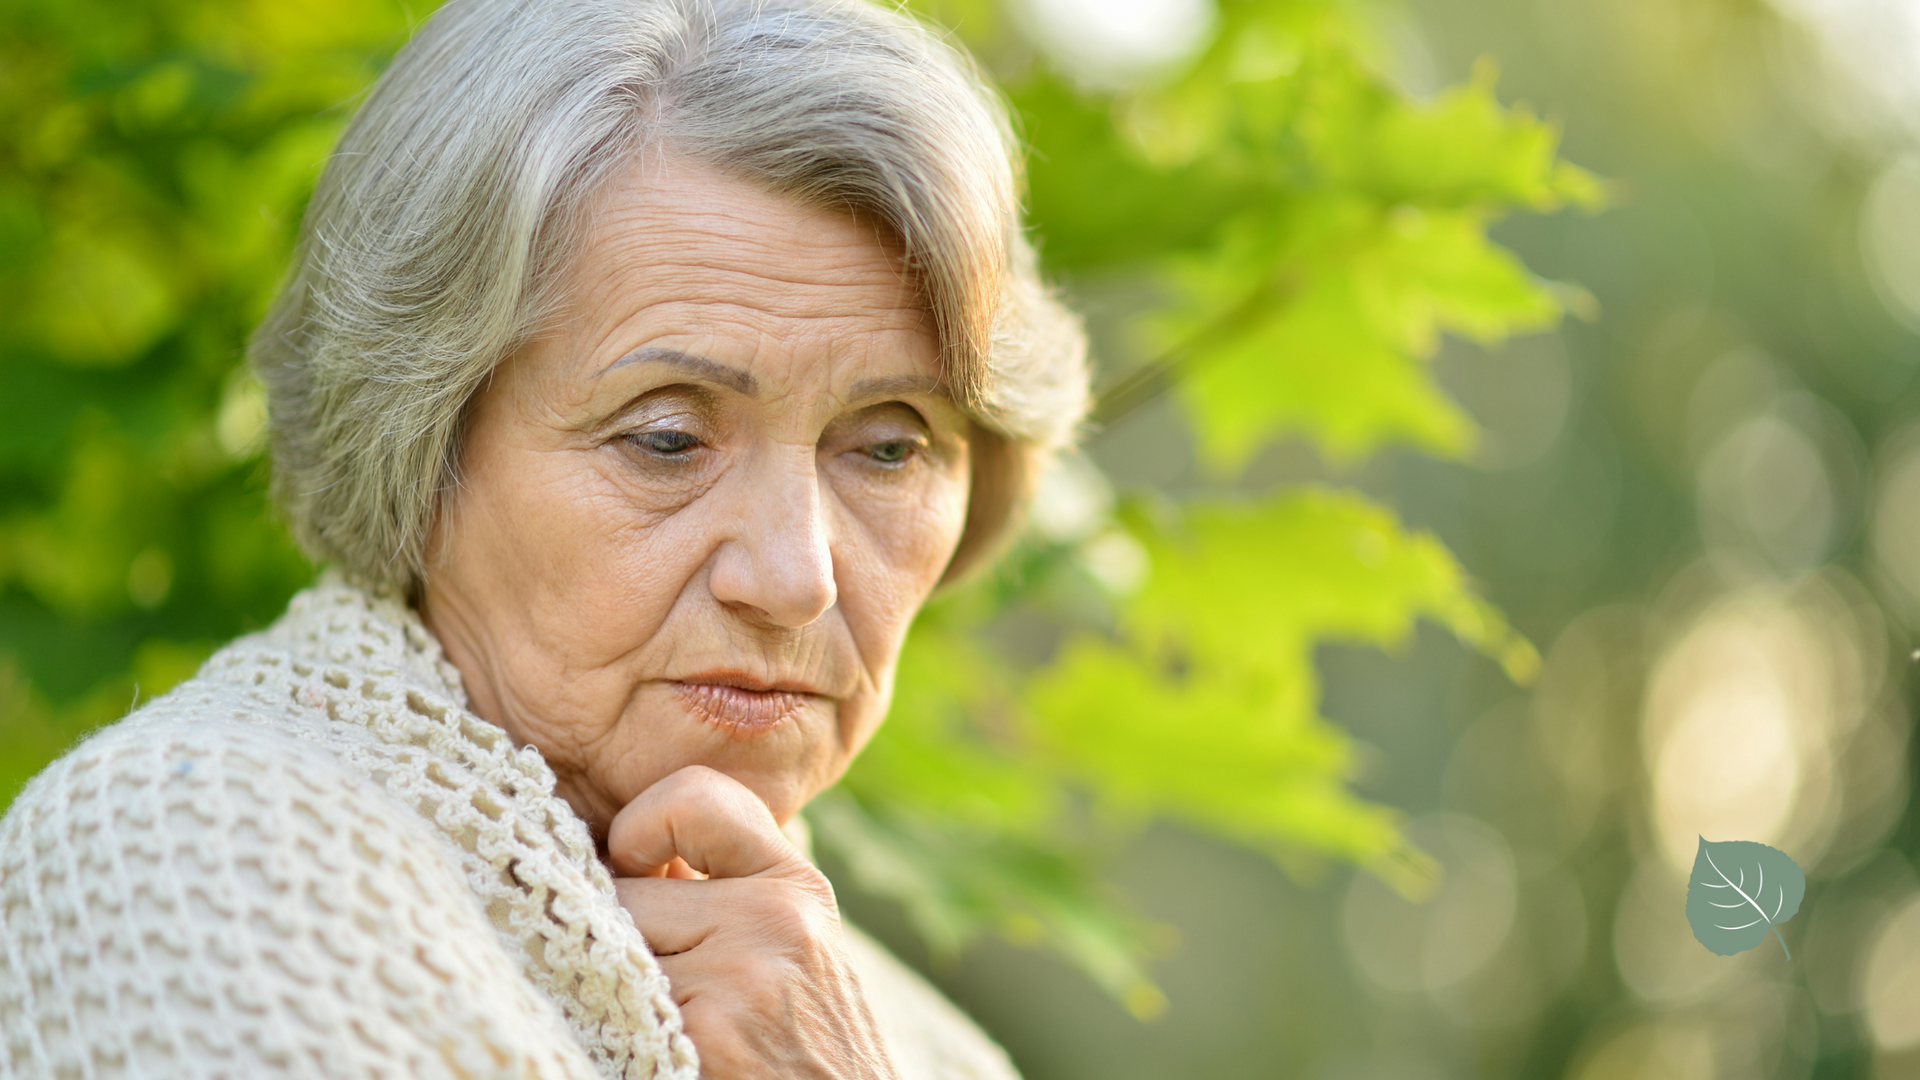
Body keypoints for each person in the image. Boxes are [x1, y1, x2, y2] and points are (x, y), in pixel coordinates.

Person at [0, 0, 1088, 1076]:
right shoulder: (196, 856)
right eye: (666, 439)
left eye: (889, 449)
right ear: (417, 440)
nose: (794, 578)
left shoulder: (921, 1043)